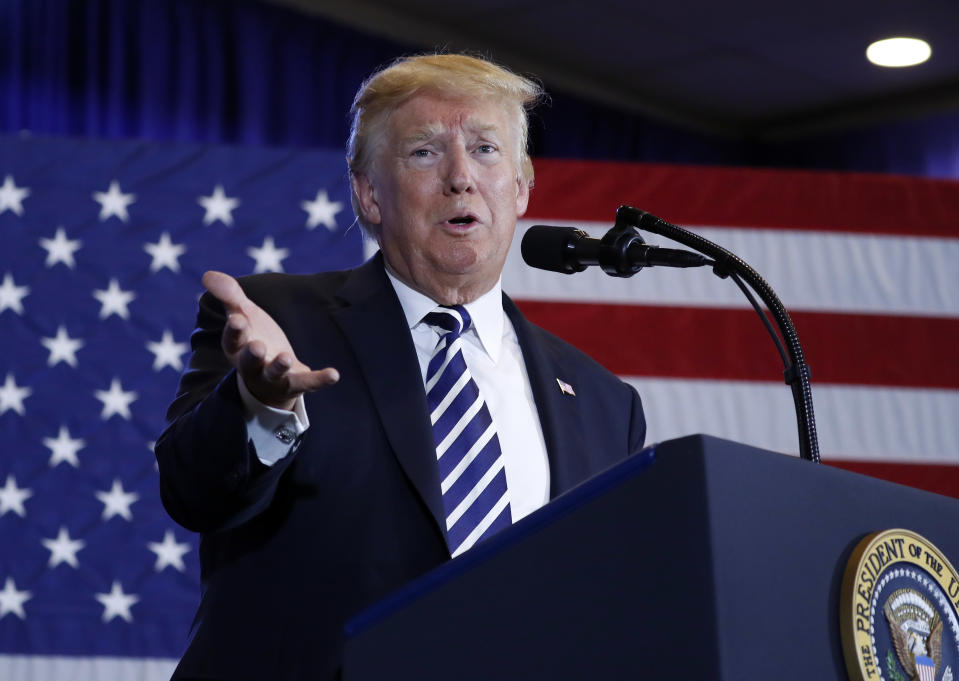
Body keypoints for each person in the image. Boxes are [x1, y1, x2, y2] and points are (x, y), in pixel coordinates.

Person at [156, 53, 646, 681]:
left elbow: (609, 607)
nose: (461, 177)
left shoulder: (606, 404)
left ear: (522, 187)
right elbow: (192, 491)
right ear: (368, 194)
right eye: (424, 152)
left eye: (486, 150)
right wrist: (260, 404)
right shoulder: (280, 322)